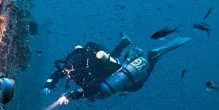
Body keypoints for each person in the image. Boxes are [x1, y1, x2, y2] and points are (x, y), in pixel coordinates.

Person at [46, 35, 190, 104]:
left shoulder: (87, 72)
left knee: (137, 85)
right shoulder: (72, 65)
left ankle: (150, 58)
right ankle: (125, 46)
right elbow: (58, 73)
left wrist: (71, 96)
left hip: (109, 72)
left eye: (69, 72)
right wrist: (48, 85)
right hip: (107, 64)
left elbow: (92, 89)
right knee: (114, 63)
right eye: (67, 72)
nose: (68, 75)